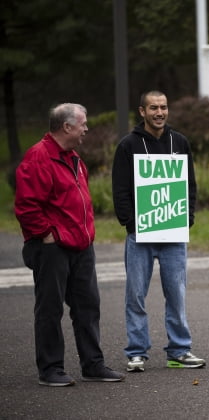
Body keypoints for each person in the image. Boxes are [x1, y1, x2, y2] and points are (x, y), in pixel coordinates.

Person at [14, 103, 125, 386]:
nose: (86, 128)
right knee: (50, 309)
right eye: (83, 124)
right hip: (53, 248)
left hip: (81, 246)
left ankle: (93, 364)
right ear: (67, 126)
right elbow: (27, 206)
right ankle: (51, 369)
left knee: (88, 306)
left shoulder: (73, 156)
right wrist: (47, 235)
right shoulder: (39, 157)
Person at [112, 91, 205, 372]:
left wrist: (186, 217)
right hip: (140, 234)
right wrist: (130, 222)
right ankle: (137, 352)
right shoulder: (128, 145)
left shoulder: (180, 142)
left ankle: (179, 350)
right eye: (153, 108)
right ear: (142, 111)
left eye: (164, 107)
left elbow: (190, 183)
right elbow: (120, 188)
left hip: (173, 234)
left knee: (176, 294)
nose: (159, 113)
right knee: (136, 295)